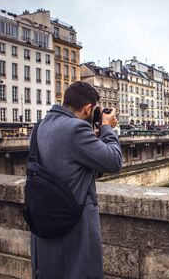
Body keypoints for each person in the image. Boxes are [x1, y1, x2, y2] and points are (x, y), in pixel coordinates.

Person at [30, 82, 123, 279]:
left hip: (45, 220)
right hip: (74, 225)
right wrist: (107, 127)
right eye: (95, 110)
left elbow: (75, 164)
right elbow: (114, 161)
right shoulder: (76, 129)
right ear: (88, 108)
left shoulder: (40, 126)